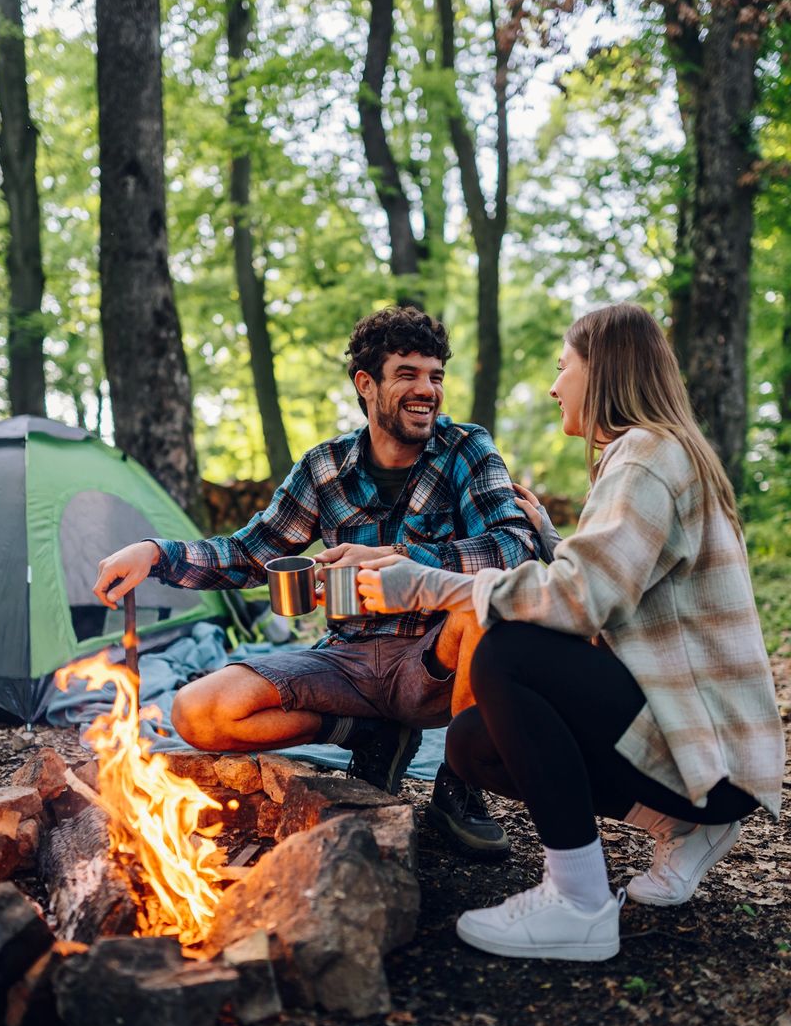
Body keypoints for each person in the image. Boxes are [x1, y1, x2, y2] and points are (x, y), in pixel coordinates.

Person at [357, 303, 784, 960]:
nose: (556, 385)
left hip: (710, 752)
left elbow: (580, 601)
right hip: (711, 755)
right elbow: (632, 584)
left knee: (506, 654)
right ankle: (681, 822)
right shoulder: (661, 454)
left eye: (564, 368)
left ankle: (578, 903)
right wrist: (556, 541)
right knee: (472, 744)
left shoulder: (644, 456)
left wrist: (425, 582)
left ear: (602, 369)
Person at [93, 305, 542, 858]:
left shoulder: (467, 451)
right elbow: (249, 554)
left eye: (435, 376)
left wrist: (400, 557)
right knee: (196, 712)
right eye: (408, 374)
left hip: (436, 663)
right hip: (346, 662)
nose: (427, 389)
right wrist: (155, 552)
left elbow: (514, 548)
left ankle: (458, 785)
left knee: (483, 602)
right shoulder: (323, 468)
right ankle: (365, 735)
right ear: (366, 383)